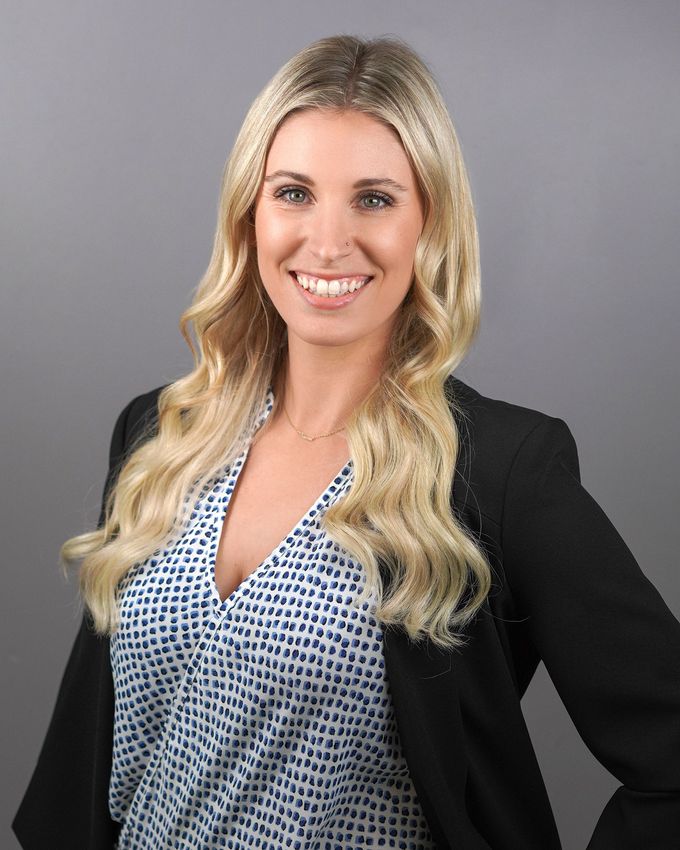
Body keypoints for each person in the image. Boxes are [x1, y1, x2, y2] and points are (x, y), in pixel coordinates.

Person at [12, 34, 680, 850]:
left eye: (374, 199)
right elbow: (80, 780)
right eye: (293, 193)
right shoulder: (162, 436)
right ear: (249, 214)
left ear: (430, 223)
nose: (327, 243)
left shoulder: (498, 473)